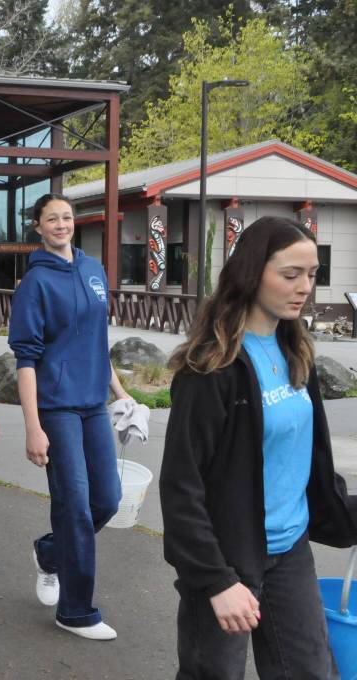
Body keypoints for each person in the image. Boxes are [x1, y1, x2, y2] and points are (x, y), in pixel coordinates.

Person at [160, 216, 357, 678]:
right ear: (252, 273)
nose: (304, 286)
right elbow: (180, 486)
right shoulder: (211, 368)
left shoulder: (296, 352)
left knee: (311, 672)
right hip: (227, 557)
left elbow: (308, 466)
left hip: (290, 551)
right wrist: (214, 581)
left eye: (312, 274)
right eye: (290, 275)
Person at [8, 193, 131, 641]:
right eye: (51, 219)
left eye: (66, 217)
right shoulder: (34, 284)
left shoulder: (93, 269)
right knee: (75, 505)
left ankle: (50, 551)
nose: (61, 224)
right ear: (38, 227)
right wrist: (33, 427)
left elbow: (97, 341)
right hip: (56, 408)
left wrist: (121, 394)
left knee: (108, 501)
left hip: (93, 404)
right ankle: (76, 611)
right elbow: (25, 359)